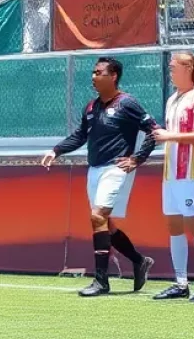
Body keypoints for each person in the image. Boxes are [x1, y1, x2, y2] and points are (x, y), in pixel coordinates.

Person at [42, 58, 156, 297]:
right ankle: (139, 260)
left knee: (97, 216)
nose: (93, 76)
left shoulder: (127, 103)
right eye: (93, 72)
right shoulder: (91, 107)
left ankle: (101, 282)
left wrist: (137, 158)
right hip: (94, 169)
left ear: (113, 76)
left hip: (115, 169)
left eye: (99, 72)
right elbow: (80, 135)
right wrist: (56, 150)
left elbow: (153, 131)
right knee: (105, 224)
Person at [151, 53, 194, 302]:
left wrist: (169, 136)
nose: (170, 71)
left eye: (174, 67)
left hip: (192, 172)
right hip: (172, 173)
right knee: (174, 225)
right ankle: (181, 282)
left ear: (188, 68)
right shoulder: (173, 99)